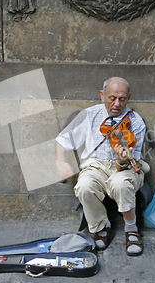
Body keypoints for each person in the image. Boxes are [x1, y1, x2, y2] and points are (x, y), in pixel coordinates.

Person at [55, 77, 149, 256]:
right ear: (102, 95)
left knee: (121, 183)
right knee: (83, 186)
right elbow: (62, 140)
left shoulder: (135, 121)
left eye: (122, 99)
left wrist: (121, 162)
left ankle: (131, 228)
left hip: (125, 167)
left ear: (128, 97)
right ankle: (101, 226)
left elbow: (129, 161)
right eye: (111, 98)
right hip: (95, 166)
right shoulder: (89, 115)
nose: (117, 104)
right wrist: (61, 161)